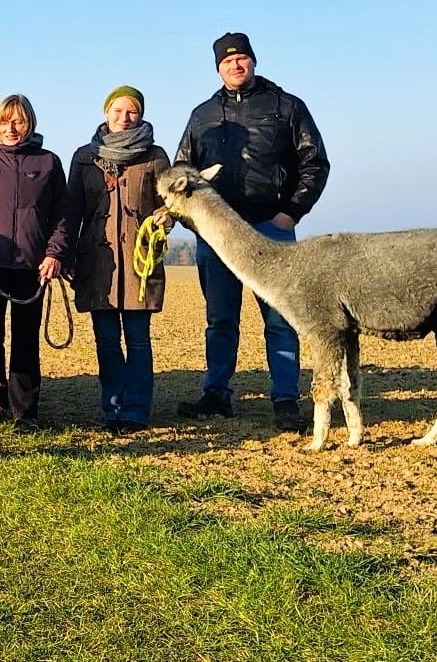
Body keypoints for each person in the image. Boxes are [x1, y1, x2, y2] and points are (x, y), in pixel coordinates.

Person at [173, 32, 330, 432]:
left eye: (241, 58)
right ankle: (216, 395)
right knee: (220, 320)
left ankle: (285, 399)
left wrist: (291, 213)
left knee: (280, 320)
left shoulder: (286, 106)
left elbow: (315, 163)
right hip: (217, 236)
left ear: (253, 61)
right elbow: (182, 172)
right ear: (218, 69)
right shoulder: (202, 115)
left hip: (269, 230)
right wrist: (193, 221)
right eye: (227, 61)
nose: (235, 65)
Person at [61, 86, 171, 435]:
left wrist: (167, 215)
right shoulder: (84, 157)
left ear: (141, 115)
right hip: (98, 265)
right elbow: (72, 212)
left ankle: (136, 411)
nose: (125, 118)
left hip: (140, 264)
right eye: (118, 111)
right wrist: (65, 255)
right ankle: (112, 408)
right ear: (106, 112)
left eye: (132, 111)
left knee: (138, 340)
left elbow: (170, 202)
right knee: (106, 341)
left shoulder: (155, 156)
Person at [0, 93, 67, 433]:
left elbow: (61, 216)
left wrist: (54, 253)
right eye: (5, 122)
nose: (11, 128)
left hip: (32, 268)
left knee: (26, 340)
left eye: (18, 121)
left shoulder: (48, 162)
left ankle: (26, 413)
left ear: (29, 123)